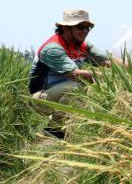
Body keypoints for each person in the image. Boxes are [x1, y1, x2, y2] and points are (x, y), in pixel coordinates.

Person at [28, 10, 111, 139]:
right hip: (40, 97)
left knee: (90, 90)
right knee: (77, 87)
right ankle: (54, 129)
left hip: (59, 93)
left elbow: (108, 62)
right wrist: (106, 77)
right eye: (80, 27)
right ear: (65, 28)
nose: (85, 31)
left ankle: (72, 129)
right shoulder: (52, 48)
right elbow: (76, 74)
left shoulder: (82, 45)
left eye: (88, 27)